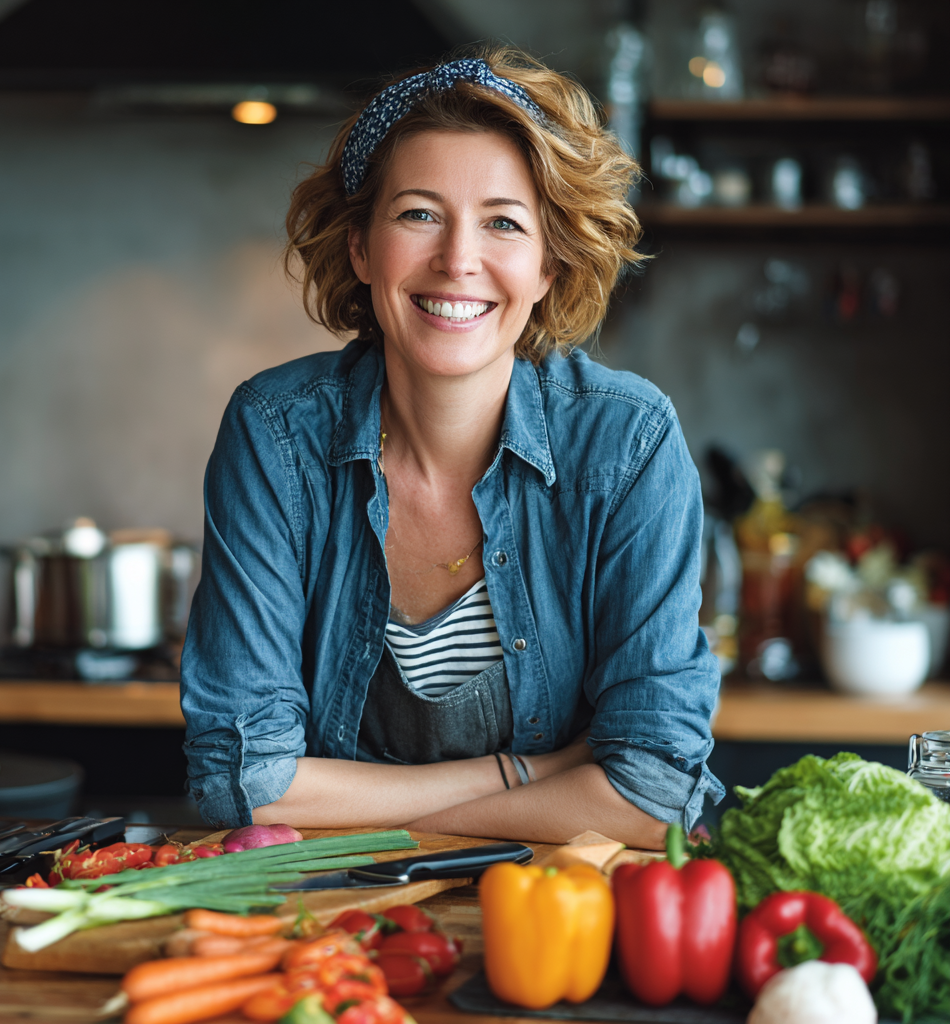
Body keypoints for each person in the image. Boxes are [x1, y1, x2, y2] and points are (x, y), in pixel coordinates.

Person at [181, 46, 723, 846]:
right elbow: (245, 782)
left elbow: (653, 789)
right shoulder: (275, 433)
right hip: (331, 928)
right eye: (418, 214)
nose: (458, 261)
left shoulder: (628, 443)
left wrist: (358, 807)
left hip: (555, 927)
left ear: (549, 264)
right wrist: (529, 774)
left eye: (503, 222)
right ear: (362, 247)